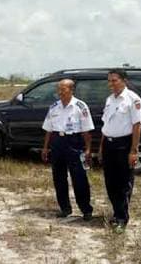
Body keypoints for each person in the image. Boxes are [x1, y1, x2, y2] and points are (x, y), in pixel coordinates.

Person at [98, 68, 141, 234]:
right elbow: (106, 126)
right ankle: (117, 213)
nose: (111, 84)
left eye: (114, 80)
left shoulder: (133, 99)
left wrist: (133, 150)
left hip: (124, 145)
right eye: (109, 81)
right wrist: (101, 147)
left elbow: (137, 125)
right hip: (109, 144)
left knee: (124, 184)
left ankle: (122, 219)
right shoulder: (110, 100)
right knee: (110, 182)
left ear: (124, 80)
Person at [41, 79, 94, 220]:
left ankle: (86, 210)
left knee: (79, 178)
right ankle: (65, 208)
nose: (59, 92)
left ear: (71, 90)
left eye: (63, 89)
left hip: (74, 142)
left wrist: (88, 150)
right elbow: (48, 129)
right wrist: (45, 147)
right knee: (59, 177)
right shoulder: (54, 107)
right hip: (57, 142)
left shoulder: (80, 107)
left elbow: (87, 131)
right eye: (58, 89)